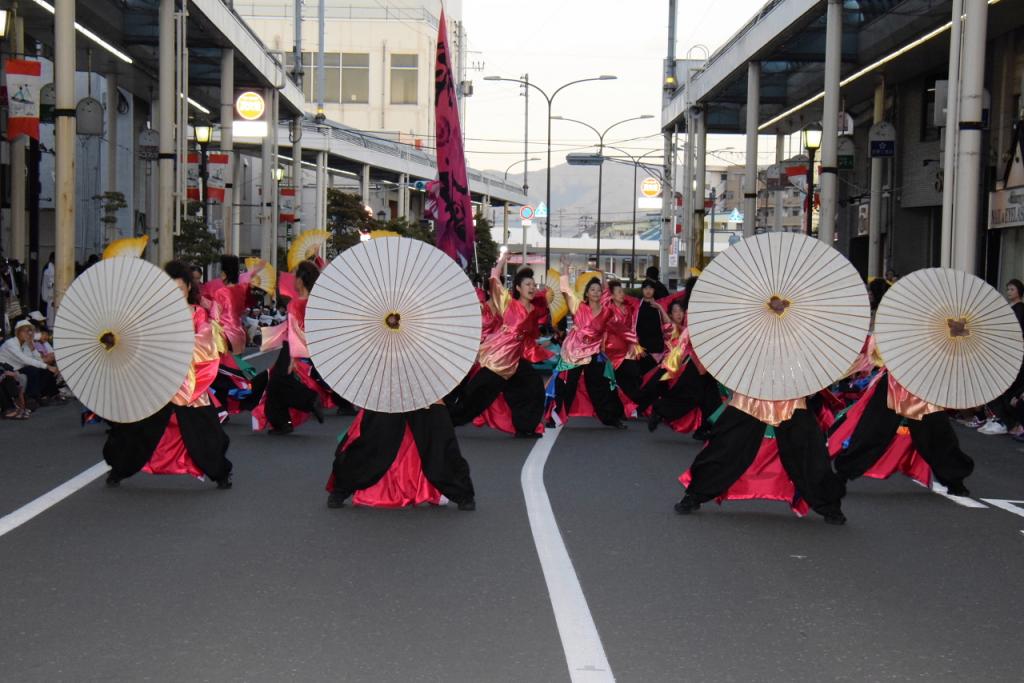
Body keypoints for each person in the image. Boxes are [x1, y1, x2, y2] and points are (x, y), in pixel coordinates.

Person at [103, 260, 233, 489]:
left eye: (180, 289)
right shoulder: (156, 316)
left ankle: (221, 472)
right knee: (137, 429)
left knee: (205, 431)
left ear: (189, 289)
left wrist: (176, 344)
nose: (175, 294)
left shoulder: (198, 314)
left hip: (189, 383)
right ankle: (119, 469)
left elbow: (204, 341)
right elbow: (138, 341)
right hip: (160, 382)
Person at [449, 252, 552, 438]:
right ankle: (446, 422)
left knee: (534, 387)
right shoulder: (508, 303)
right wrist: (502, 261)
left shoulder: (534, 310)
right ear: (518, 288)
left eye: (533, 284)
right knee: (474, 400)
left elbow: (530, 335)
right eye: (527, 284)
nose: (532, 287)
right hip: (496, 361)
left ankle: (525, 427)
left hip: (515, 361)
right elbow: (494, 279)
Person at [326, 402, 476, 510]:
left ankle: (462, 493)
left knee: (440, 444)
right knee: (370, 442)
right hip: (388, 395)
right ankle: (341, 489)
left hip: (426, 394)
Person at [252, 260, 330, 435]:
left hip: (293, 347)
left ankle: (308, 401)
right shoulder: (314, 302)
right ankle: (283, 421)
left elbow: (294, 331)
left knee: (277, 382)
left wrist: (292, 359)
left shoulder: (295, 304)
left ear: (301, 280)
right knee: (276, 382)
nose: (293, 280)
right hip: (307, 346)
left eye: (296, 277)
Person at [550, 263, 624, 429]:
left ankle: (610, 418)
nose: (596, 292)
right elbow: (565, 289)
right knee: (569, 385)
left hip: (594, 353)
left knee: (600, 386)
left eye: (598, 290)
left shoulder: (606, 311)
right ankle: (556, 416)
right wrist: (564, 269)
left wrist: (604, 275)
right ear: (587, 293)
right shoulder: (578, 306)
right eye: (592, 290)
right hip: (574, 352)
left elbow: (607, 295)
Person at [642, 282, 722, 435]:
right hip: (694, 361)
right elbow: (689, 335)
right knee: (692, 396)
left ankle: (707, 427)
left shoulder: (700, 309)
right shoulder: (693, 311)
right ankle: (660, 409)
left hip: (704, 360)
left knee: (710, 396)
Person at [0, 320, 59, 406]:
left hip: (19, 367)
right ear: (18, 332)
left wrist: (32, 348)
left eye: (29, 331)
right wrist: (47, 366)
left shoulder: (25, 344)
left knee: (44, 370)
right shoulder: (11, 343)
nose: (28, 333)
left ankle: (46, 395)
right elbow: (25, 359)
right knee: (34, 370)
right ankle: (31, 397)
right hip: (7, 369)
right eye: (24, 331)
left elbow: (37, 360)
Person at [40, 253, 55, 329]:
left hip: (53, 295)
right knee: (50, 315)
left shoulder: (53, 268)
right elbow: (49, 284)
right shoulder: (48, 270)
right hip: (50, 296)